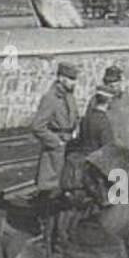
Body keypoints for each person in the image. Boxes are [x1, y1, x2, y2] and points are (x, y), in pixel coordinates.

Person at [31, 62, 81, 198]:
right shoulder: (50, 98)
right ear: (61, 78)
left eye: (74, 79)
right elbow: (37, 127)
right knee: (50, 190)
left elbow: (75, 116)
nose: (74, 83)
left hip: (70, 146)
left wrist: (76, 129)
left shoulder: (69, 96)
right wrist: (56, 142)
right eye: (71, 79)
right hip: (55, 151)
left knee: (66, 187)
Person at [102, 64, 129, 159]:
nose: (113, 86)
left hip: (125, 151)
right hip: (103, 153)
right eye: (109, 83)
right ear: (105, 83)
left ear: (120, 82)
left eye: (116, 82)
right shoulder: (96, 101)